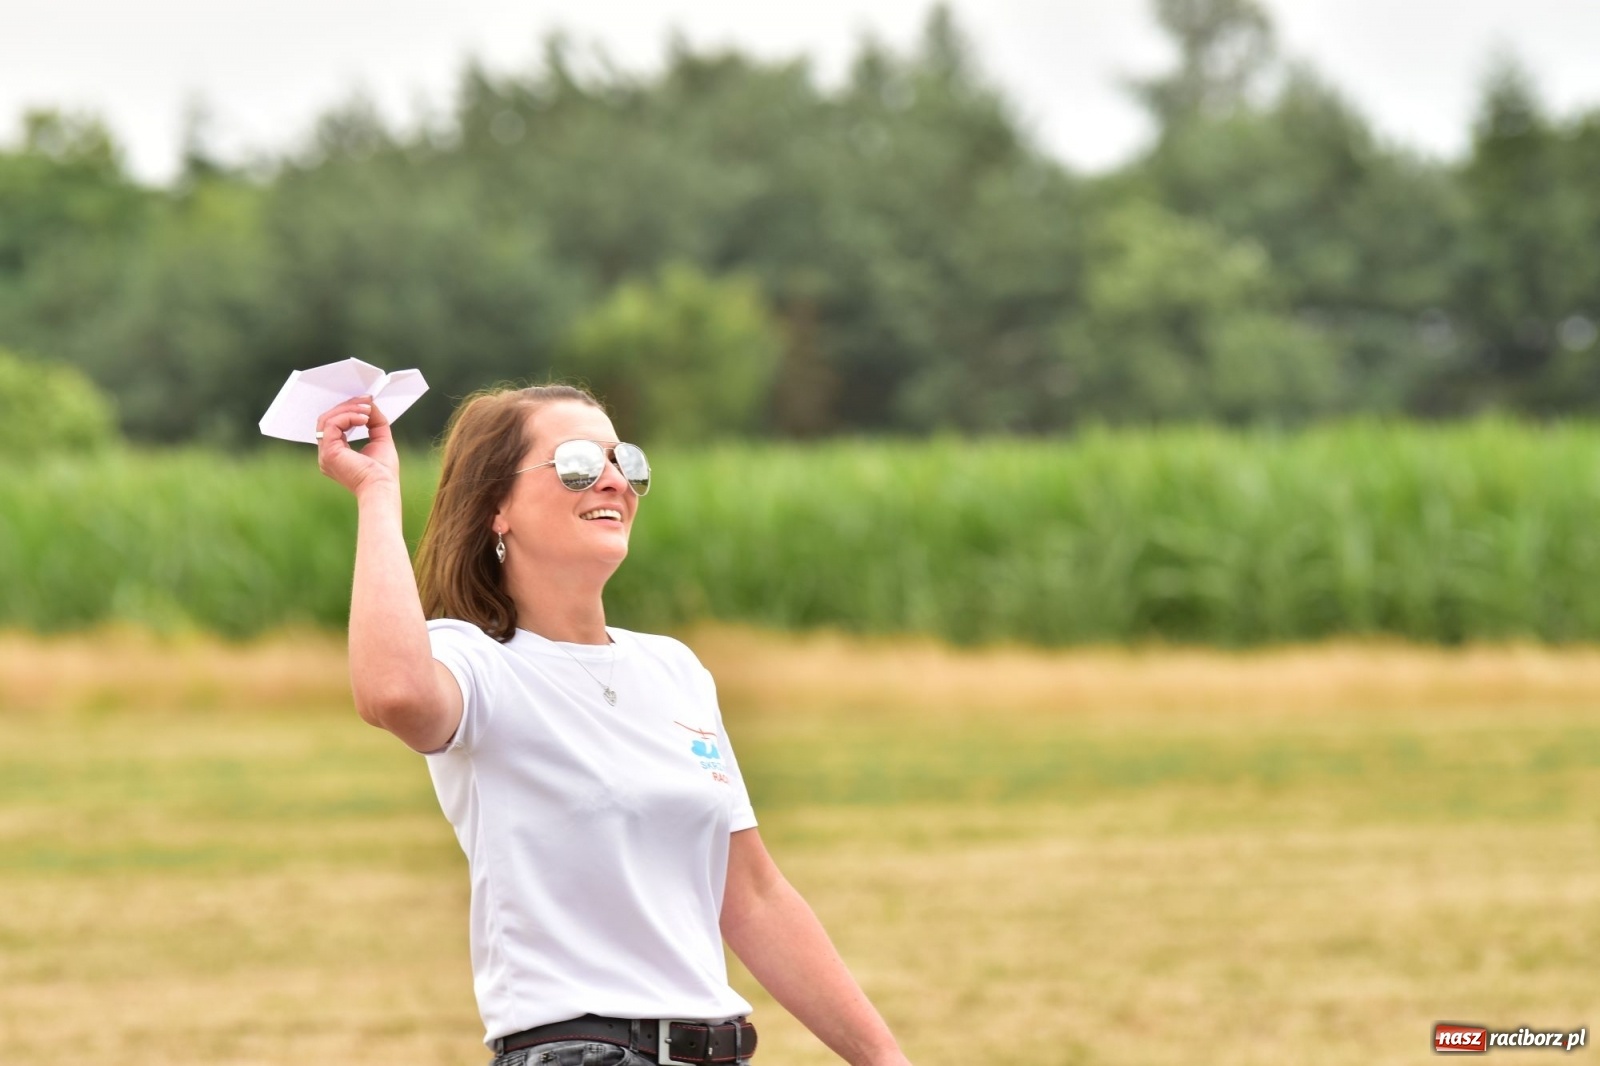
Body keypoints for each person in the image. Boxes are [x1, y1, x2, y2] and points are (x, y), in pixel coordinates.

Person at [315, 383, 914, 1066]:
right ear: (495, 509)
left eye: (624, 462)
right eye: (574, 463)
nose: (611, 480)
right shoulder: (473, 660)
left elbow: (751, 894)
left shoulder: (675, 669)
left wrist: (881, 1058)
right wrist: (376, 493)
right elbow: (392, 692)